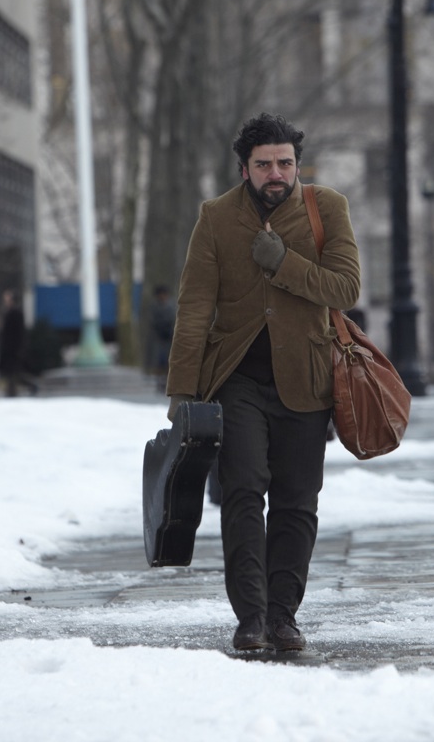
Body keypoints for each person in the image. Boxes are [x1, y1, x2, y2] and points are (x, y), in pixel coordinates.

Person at [166, 113, 361, 652]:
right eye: (264, 164)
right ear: (244, 168)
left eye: (285, 163)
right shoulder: (216, 218)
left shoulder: (328, 209)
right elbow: (194, 307)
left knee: (298, 501)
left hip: (306, 379)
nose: (276, 173)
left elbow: (345, 288)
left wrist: (286, 263)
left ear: (297, 164)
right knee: (243, 491)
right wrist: (182, 391)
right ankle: (250, 616)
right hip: (237, 381)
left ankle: (283, 615)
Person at [0, 290, 37, 397]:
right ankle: (12, 392)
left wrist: (19, 349)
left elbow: (19, 333)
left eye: (7, 298)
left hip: (13, 349)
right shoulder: (8, 312)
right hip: (9, 349)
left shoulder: (16, 313)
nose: (5, 301)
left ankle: (15, 392)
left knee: (14, 373)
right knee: (11, 373)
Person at [149, 285, 176, 392]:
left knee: (169, 360)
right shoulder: (155, 307)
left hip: (170, 337)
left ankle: (167, 381)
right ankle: (161, 382)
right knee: (160, 360)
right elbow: (153, 322)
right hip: (159, 338)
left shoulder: (171, 306)